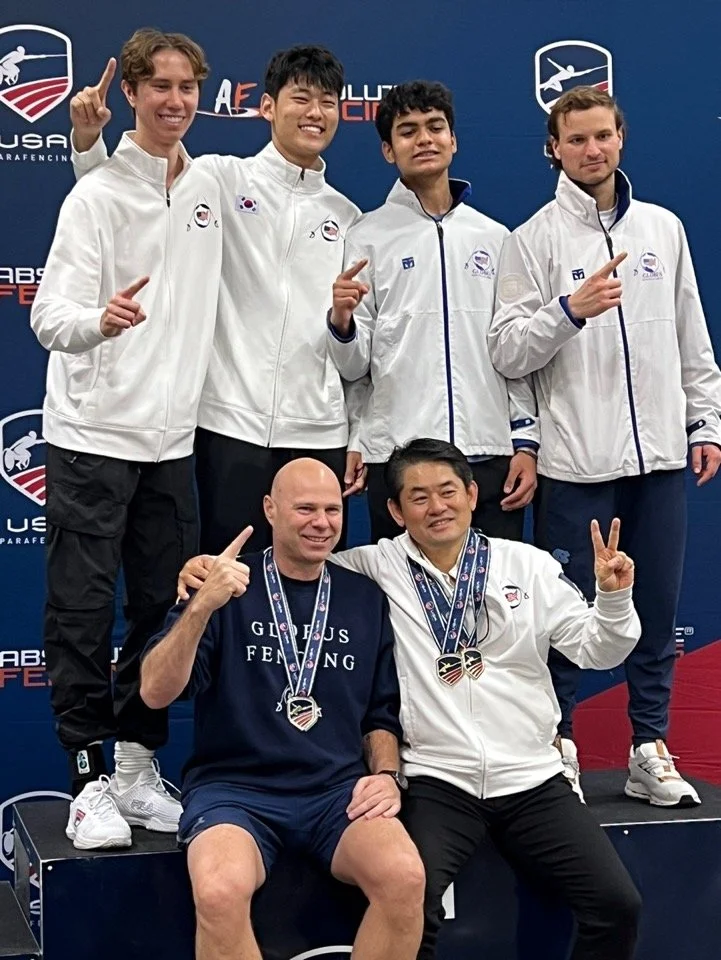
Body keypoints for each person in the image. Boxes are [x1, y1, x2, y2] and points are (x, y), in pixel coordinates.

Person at [179, 438, 643, 960]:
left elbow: (597, 648)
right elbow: (294, 560)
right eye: (418, 497)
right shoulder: (371, 567)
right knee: (411, 902)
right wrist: (199, 572)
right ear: (396, 511)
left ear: (472, 495)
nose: (436, 507)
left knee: (618, 905)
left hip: (531, 777)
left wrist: (613, 596)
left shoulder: (527, 565)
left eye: (447, 492)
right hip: (438, 778)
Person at [488, 85, 721, 805]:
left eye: (602, 136)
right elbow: (504, 352)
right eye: (576, 139)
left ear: (620, 139)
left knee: (652, 608)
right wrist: (568, 311)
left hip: (656, 461)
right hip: (573, 464)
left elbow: (690, 332)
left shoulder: (662, 228)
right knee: (564, 617)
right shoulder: (530, 240)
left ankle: (647, 746)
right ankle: (555, 746)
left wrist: (704, 421)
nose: (591, 150)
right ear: (552, 150)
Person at [30, 28, 222, 849]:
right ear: (134, 94)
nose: (175, 100)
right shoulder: (96, 196)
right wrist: (98, 323)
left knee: (157, 610)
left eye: (188, 87)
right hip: (91, 436)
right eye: (160, 87)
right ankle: (84, 779)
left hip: (171, 444)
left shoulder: (212, 187)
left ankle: (139, 771)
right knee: (80, 614)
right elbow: (47, 315)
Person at [69, 45, 366, 554]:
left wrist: (342, 327)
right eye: (300, 98)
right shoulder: (219, 178)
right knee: (222, 580)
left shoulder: (348, 215)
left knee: (313, 579)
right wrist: (88, 141)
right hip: (227, 423)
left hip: (318, 429)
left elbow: (354, 357)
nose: (315, 113)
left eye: (327, 102)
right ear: (268, 107)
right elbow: (119, 198)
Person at [142, 458, 425, 960]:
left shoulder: (364, 597)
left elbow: (380, 714)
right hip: (235, 792)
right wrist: (200, 607)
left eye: (332, 509)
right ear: (270, 509)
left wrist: (387, 774)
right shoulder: (224, 586)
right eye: (305, 509)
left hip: (335, 792)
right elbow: (154, 692)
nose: (321, 522)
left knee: (404, 876)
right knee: (219, 891)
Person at [326, 81, 538, 543]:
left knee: (498, 604)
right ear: (388, 150)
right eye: (408, 131)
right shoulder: (365, 236)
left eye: (435, 127)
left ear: (453, 140)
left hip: (488, 455)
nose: (424, 139)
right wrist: (341, 321)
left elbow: (513, 353)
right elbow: (356, 367)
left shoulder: (496, 237)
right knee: (406, 607)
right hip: (401, 460)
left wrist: (524, 442)